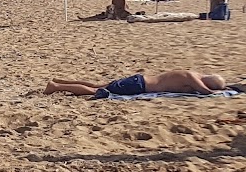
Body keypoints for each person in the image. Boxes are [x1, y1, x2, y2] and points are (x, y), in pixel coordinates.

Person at [44, 70, 225, 97]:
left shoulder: (190, 73)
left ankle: (60, 81)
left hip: (139, 79)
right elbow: (205, 92)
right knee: (95, 90)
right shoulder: (191, 78)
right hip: (139, 86)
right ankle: (57, 87)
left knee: (98, 84)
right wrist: (217, 92)